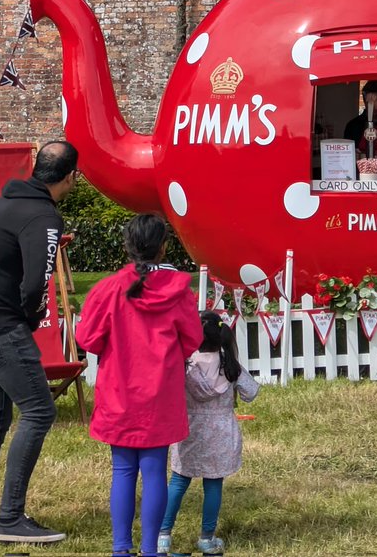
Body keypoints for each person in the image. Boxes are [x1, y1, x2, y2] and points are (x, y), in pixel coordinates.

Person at [0, 140, 79, 544]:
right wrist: (28, 320)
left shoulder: (6, 206)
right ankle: (9, 518)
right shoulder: (42, 215)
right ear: (70, 176)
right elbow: (34, 282)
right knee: (40, 413)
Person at [76, 214, 202, 557]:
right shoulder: (179, 291)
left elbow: (87, 338)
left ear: (127, 246)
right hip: (160, 394)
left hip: (118, 391)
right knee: (154, 472)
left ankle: (121, 549)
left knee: (123, 470)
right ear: (164, 248)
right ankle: (150, 550)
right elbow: (193, 338)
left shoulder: (108, 289)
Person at [157, 311, 260, 557]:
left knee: (179, 481)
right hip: (222, 433)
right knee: (213, 485)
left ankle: (162, 537)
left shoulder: (185, 363)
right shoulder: (229, 364)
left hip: (189, 430)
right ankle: (206, 539)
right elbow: (251, 393)